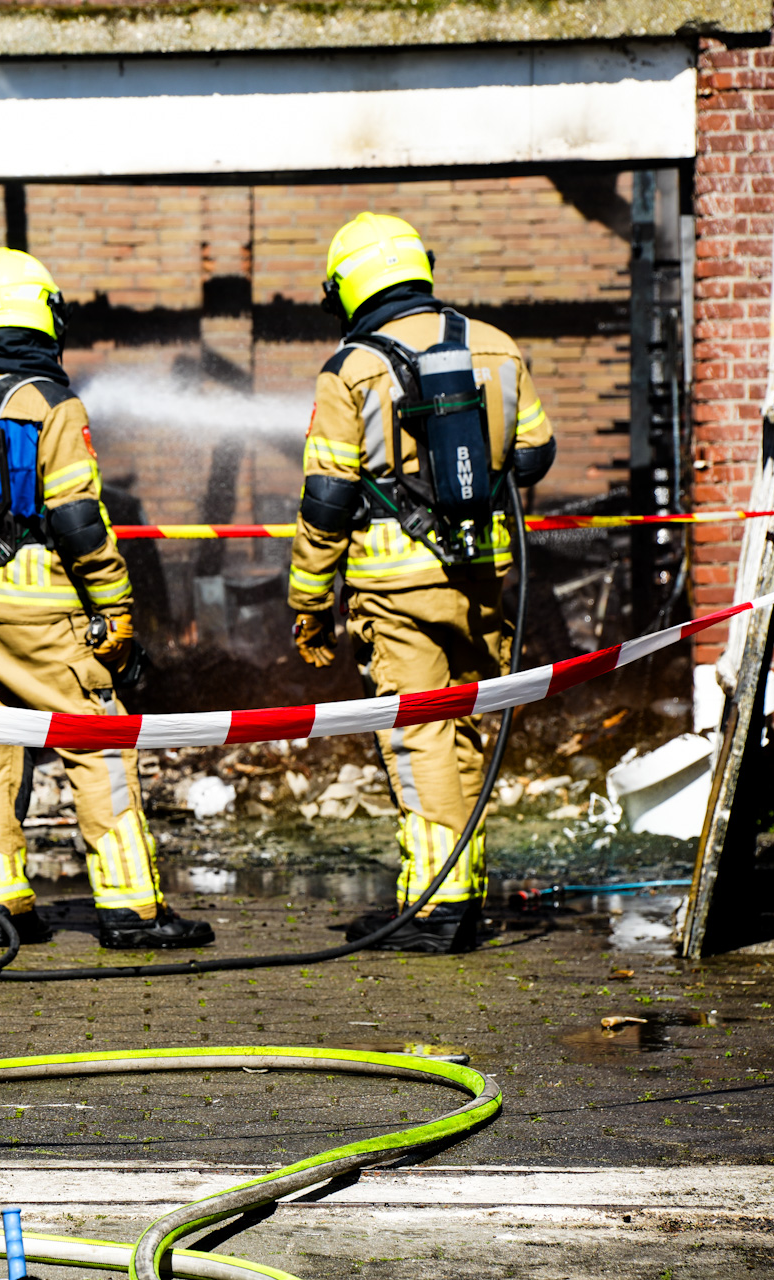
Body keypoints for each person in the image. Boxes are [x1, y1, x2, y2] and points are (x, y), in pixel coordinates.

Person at [0, 248, 214, 952]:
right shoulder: (51, 405)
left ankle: (4, 906)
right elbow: (76, 520)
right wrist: (117, 609)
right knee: (98, 744)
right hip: (50, 616)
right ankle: (131, 909)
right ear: (47, 316)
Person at [287, 213, 555, 953]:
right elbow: (535, 454)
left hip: (395, 588)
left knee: (419, 736)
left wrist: (310, 599)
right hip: (486, 576)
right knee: (467, 729)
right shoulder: (497, 347)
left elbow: (328, 500)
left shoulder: (351, 370)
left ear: (346, 288)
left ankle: (437, 911)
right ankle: (454, 895)